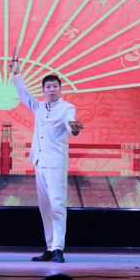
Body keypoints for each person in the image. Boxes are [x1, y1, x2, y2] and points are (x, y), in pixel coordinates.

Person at [11, 47, 83, 263]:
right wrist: (16, 72)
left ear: (60, 88)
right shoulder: (39, 106)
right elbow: (23, 94)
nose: (52, 89)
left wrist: (74, 128)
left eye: (55, 86)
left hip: (55, 163)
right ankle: (50, 247)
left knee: (57, 205)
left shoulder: (67, 108)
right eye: (48, 87)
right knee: (44, 207)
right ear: (43, 90)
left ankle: (59, 248)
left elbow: (71, 124)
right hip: (40, 162)